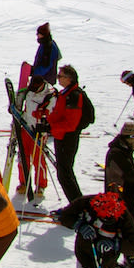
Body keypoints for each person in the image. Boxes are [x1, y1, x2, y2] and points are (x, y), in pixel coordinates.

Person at [56, 189, 134, 268]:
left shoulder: (124, 217)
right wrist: (79, 224)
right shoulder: (86, 203)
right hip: (83, 256)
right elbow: (64, 215)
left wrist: (116, 244)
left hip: (105, 264)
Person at [105, 121, 134, 249]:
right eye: (132, 138)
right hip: (119, 197)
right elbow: (130, 174)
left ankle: (128, 253)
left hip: (128, 194)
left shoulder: (125, 151)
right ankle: (125, 253)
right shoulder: (117, 153)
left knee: (131, 225)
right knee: (124, 227)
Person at [48, 63, 87, 201]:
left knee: (65, 173)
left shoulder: (74, 95)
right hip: (61, 136)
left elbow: (71, 124)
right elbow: (59, 114)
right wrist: (48, 122)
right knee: (63, 173)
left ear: (69, 78)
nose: (58, 78)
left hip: (67, 137)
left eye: (61, 76)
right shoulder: (65, 93)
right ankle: (76, 203)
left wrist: (51, 128)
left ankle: (77, 203)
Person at [15, 75, 53, 202]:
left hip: (38, 130)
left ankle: (40, 184)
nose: (34, 90)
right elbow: (21, 105)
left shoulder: (50, 94)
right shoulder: (29, 91)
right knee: (22, 157)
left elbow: (52, 112)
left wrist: (43, 117)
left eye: (36, 88)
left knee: (38, 158)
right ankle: (24, 182)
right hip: (26, 127)